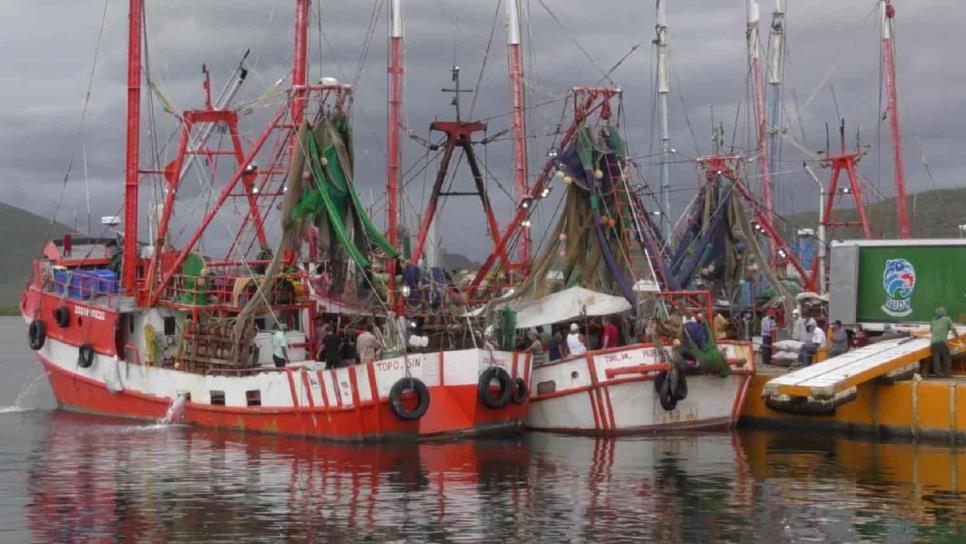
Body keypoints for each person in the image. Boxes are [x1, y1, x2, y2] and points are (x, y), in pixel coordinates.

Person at [927, 307, 960, 378]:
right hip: (941, 342)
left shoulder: (933, 320)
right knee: (947, 357)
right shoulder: (947, 319)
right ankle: (946, 373)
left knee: (936, 357)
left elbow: (931, 331)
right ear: (944, 313)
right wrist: (957, 337)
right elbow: (953, 329)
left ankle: (938, 373)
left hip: (933, 342)